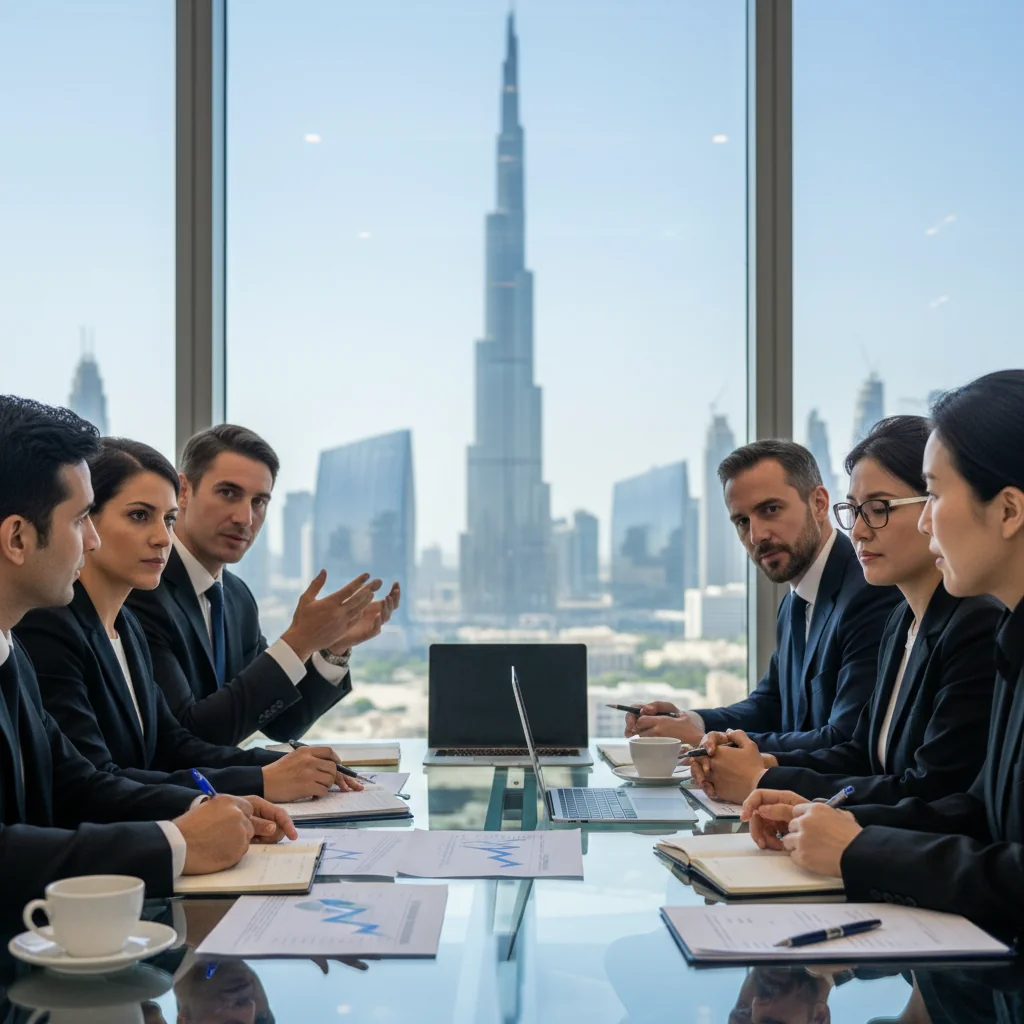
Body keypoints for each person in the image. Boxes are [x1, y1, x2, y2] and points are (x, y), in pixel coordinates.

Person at [743, 371, 1024, 939]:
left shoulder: (980, 627)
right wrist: (822, 815)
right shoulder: (995, 636)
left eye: (935, 495)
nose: (925, 519)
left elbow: (953, 806)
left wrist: (858, 846)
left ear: (1008, 510)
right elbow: (974, 810)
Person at [0, 396, 296, 921]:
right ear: (18, 538)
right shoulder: (44, 633)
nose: (90, 541)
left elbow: (79, 782)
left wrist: (207, 807)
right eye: (81, 520)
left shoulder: (12, 649)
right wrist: (177, 843)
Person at [15, 438, 363, 803]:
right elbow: (90, 784)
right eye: (139, 516)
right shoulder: (50, 626)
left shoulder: (126, 627)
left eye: (168, 520)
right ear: (87, 521)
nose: (162, 538)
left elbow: (174, 746)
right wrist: (260, 781)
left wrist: (286, 767)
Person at [689, 417, 1001, 806]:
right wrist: (763, 763)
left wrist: (763, 779)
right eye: (854, 511)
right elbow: (860, 755)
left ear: (934, 508)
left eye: (879, 508)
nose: (859, 531)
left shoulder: (976, 625)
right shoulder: (902, 622)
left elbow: (932, 793)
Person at [126, 424, 401, 746]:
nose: (245, 518)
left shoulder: (237, 596)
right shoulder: (141, 589)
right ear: (183, 491)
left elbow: (282, 724)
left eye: (259, 502)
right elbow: (190, 736)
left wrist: (334, 648)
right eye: (228, 493)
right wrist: (299, 641)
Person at [626, 439, 901, 752]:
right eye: (742, 521)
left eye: (770, 510)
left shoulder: (869, 593)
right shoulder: (796, 602)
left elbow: (845, 741)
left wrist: (706, 741)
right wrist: (691, 722)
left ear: (819, 504)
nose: (756, 536)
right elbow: (770, 704)